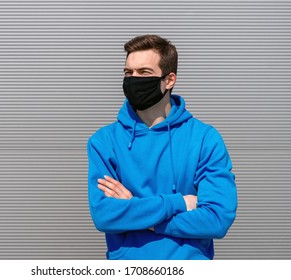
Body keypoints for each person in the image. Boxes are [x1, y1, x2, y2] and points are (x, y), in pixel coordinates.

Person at [87, 34, 237, 260]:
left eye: (144, 73)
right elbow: (105, 216)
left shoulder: (204, 138)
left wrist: (135, 210)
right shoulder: (104, 141)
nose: (133, 79)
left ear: (169, 80)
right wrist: (178, 202)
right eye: (128, 73)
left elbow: (216, 219)